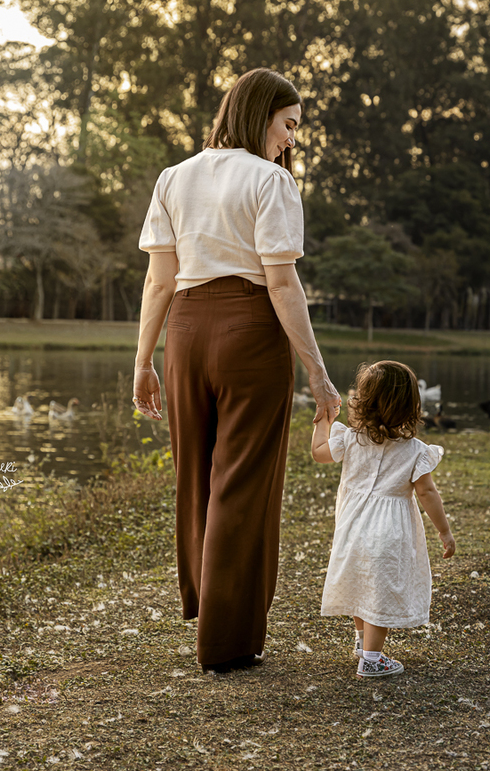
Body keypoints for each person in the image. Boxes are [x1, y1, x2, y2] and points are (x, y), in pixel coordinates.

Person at [132, 68, 342, 672]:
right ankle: (224, 640)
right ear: (261, 115)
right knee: (242, 484)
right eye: (288, 124)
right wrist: (319, 375)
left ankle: (211, 614)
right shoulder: (271, 181)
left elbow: (159, 281)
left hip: (187, 333)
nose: (292, 140)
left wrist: (144, 361)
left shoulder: (174, 177)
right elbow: (281, 282)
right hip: (250, 332)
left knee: (197, 477)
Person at [311, 361, 456, 678]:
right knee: (380, 593)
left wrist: (323, 420)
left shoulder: (351, 439)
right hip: (390, 534)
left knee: (362, 585)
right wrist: (444, 532)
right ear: (410, 406)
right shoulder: (415, 451)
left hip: (352, 529)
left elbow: (319, 452)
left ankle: (364, 645)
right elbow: (427, 494)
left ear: (362, 402)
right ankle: (372, 659)